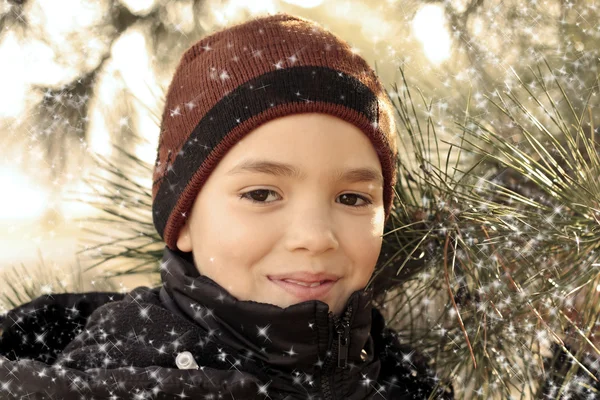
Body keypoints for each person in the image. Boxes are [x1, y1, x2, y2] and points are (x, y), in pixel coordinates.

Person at [0, 13, 454, 399]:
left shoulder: (405, 379)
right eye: (261, 194)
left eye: (352, 198)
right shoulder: (120, 379)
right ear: (183, 220)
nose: (316, 236)